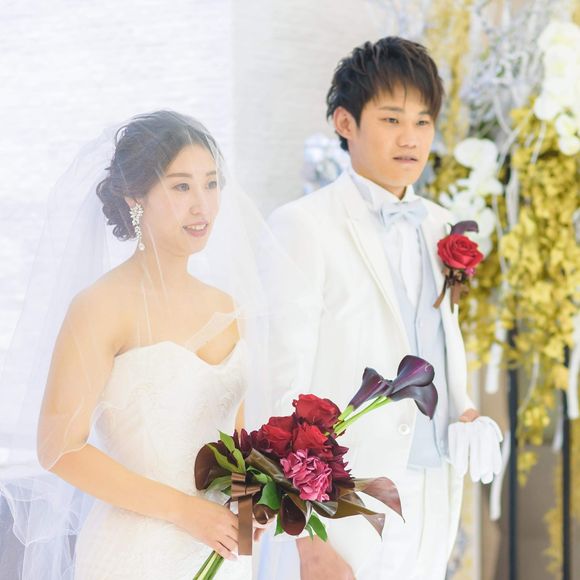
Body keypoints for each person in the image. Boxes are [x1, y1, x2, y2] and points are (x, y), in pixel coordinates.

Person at [0, 111, 303, 579]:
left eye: (211, 184)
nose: (202, 205)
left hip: (221, 552)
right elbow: (59, 449)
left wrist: (249, 510)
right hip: (136, 552)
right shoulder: (101, 306)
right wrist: (186, 511)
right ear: (135, 197)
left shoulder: (227, 307)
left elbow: (237, 444)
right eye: (181, 187)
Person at [258, 37, 480, 580]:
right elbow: (279, 389)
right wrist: (307, 541)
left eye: (423, 121)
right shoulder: (303, 227)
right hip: (342, 509)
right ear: (345, 122)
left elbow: (436, 345)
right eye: (391, 119)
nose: (411, 138)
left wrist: (467, 410)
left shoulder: (441, 224)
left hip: (430, 498)